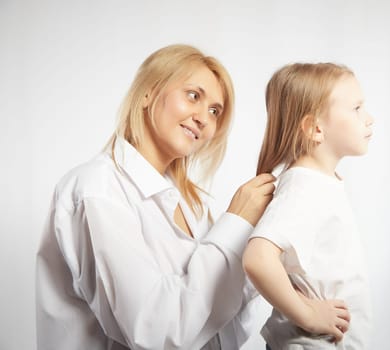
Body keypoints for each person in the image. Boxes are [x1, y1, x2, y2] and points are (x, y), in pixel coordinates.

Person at [35, 44, 279, 350]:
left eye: (215, 111)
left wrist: (257, 250)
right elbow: (154, 330)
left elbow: (221, 334)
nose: (204, 118)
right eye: (194, 95)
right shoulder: (98, 189)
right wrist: (236, 224)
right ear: (149, 93)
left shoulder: (193, 205)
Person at [242, 62, 374, 349]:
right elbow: (258, 258)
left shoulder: (318, 182)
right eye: (356, 109)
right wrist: (310, 316)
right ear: (315, 128)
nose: (369, 119)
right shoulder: (304, 187)